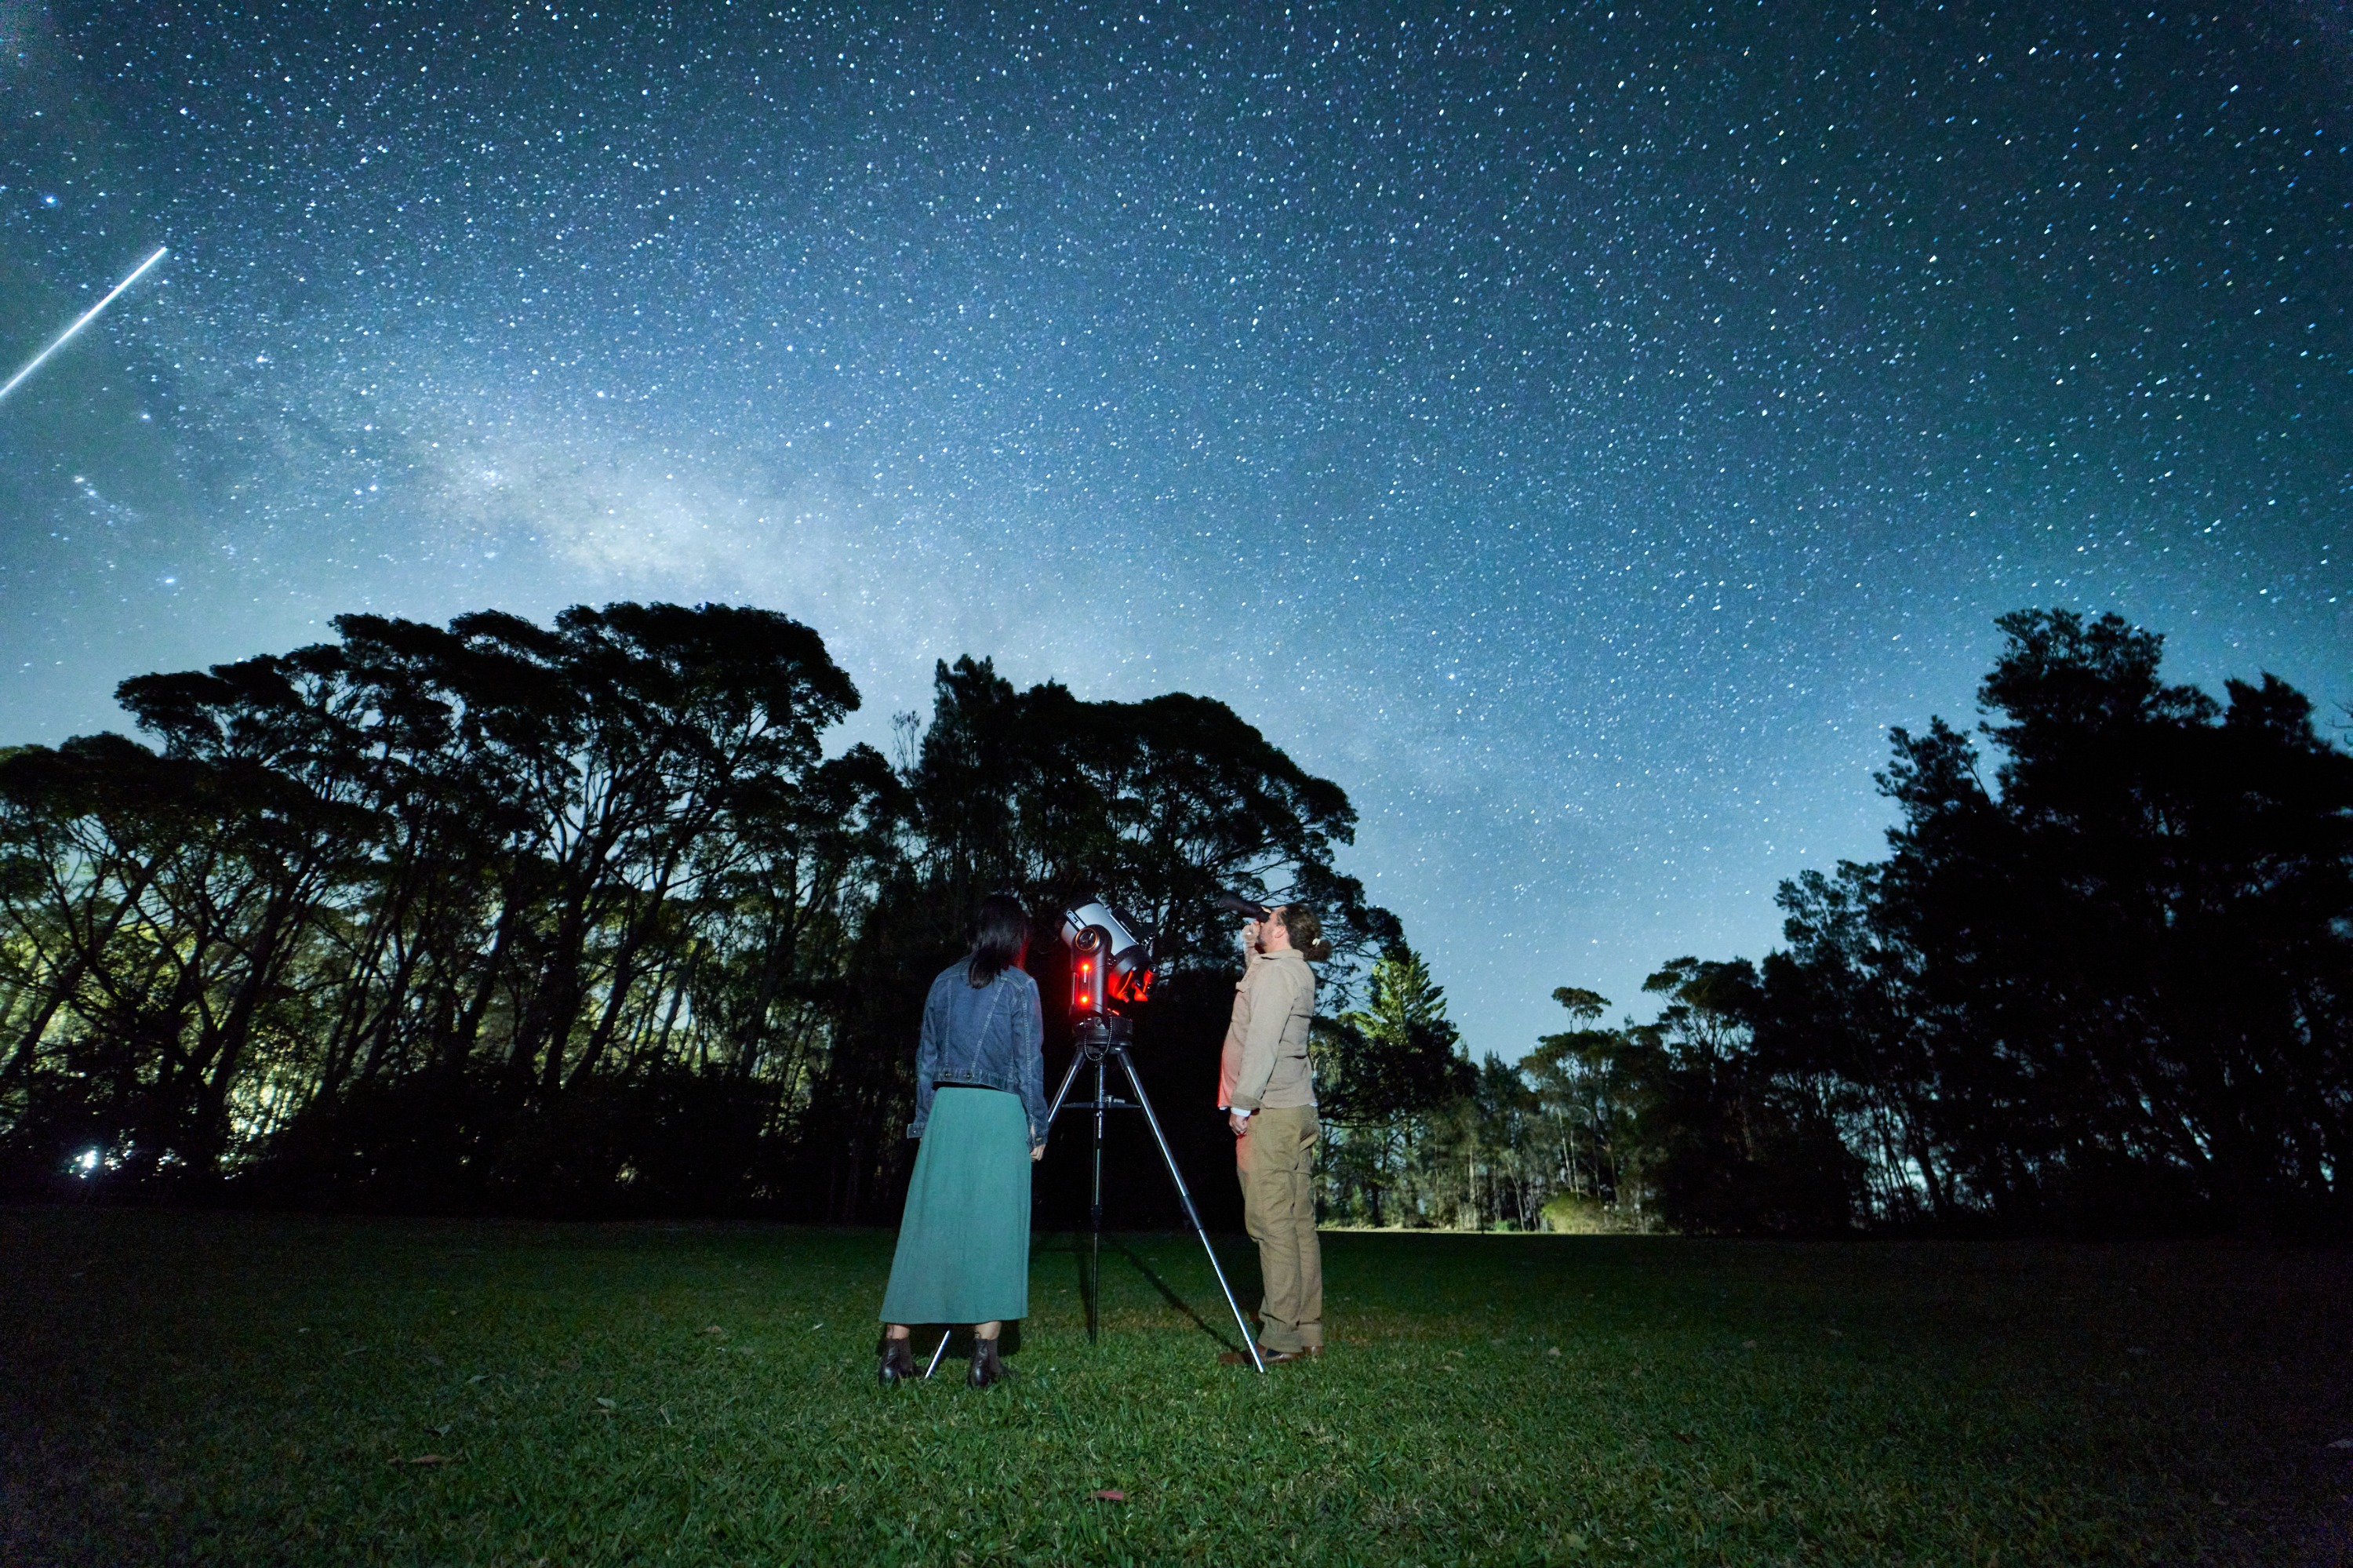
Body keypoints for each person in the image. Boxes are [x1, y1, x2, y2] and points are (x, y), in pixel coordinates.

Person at [877, 893, 1049, 1389]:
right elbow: (1027, 1063)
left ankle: (895, 1349)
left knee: (928, 1228)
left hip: (948, 1113)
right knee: (997, 1229)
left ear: (975, 932)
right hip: (999, 1114)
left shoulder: (943, 982)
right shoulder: (1021, 987)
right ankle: (984, 1360)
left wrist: (926, 1122)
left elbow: (925, 1059)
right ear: (1015, 937)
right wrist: (1037, 1125)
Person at [1217, 901, 1332, 1364]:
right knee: (1300, 1224)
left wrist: (1243, 1102)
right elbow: (1258, 1006)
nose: (1261, 921)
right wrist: (1252, 948)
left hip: (1272, 1114)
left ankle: (1278, 1339)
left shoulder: (1276, 975)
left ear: (1283, 931)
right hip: (1297, 1108)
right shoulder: (1292, 970)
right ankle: (1309, 1332)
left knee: (1272, 1225)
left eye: (1270, 918)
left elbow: (1261, 1039)